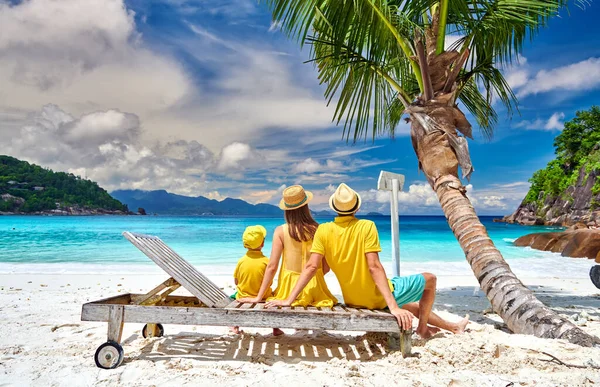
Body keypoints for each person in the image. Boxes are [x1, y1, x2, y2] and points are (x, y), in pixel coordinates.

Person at [265, 183, 469, 338]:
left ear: (335, 207)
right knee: (430, 280)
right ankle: (423, 328)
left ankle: (453, 327)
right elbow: (374, 267)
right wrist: (393, 306)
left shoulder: (325, 230)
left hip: (353, 298)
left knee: (405, 302)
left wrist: (288, 300)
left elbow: (312, 267)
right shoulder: (366, 226)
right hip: (374, 297)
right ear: (356, 207)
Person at [239, 185, 337, 309]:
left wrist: (259, 297)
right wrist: (311, 281)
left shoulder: (281, 231)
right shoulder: (320, 229)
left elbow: (272, 267)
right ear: (306, 206)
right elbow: (326, 267)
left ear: (287, 209)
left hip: (288, 291)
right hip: (316, 290)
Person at [231, 225, 282, 335]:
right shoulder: (266, 262)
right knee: (274, 296)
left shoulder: (241, 261)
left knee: (234, 295)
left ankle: (234, 326)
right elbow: (270, 281)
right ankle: (275, 329)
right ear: (262, 244)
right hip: (263, 296)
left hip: (243, 296)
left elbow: (236, 281)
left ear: (245, 244)